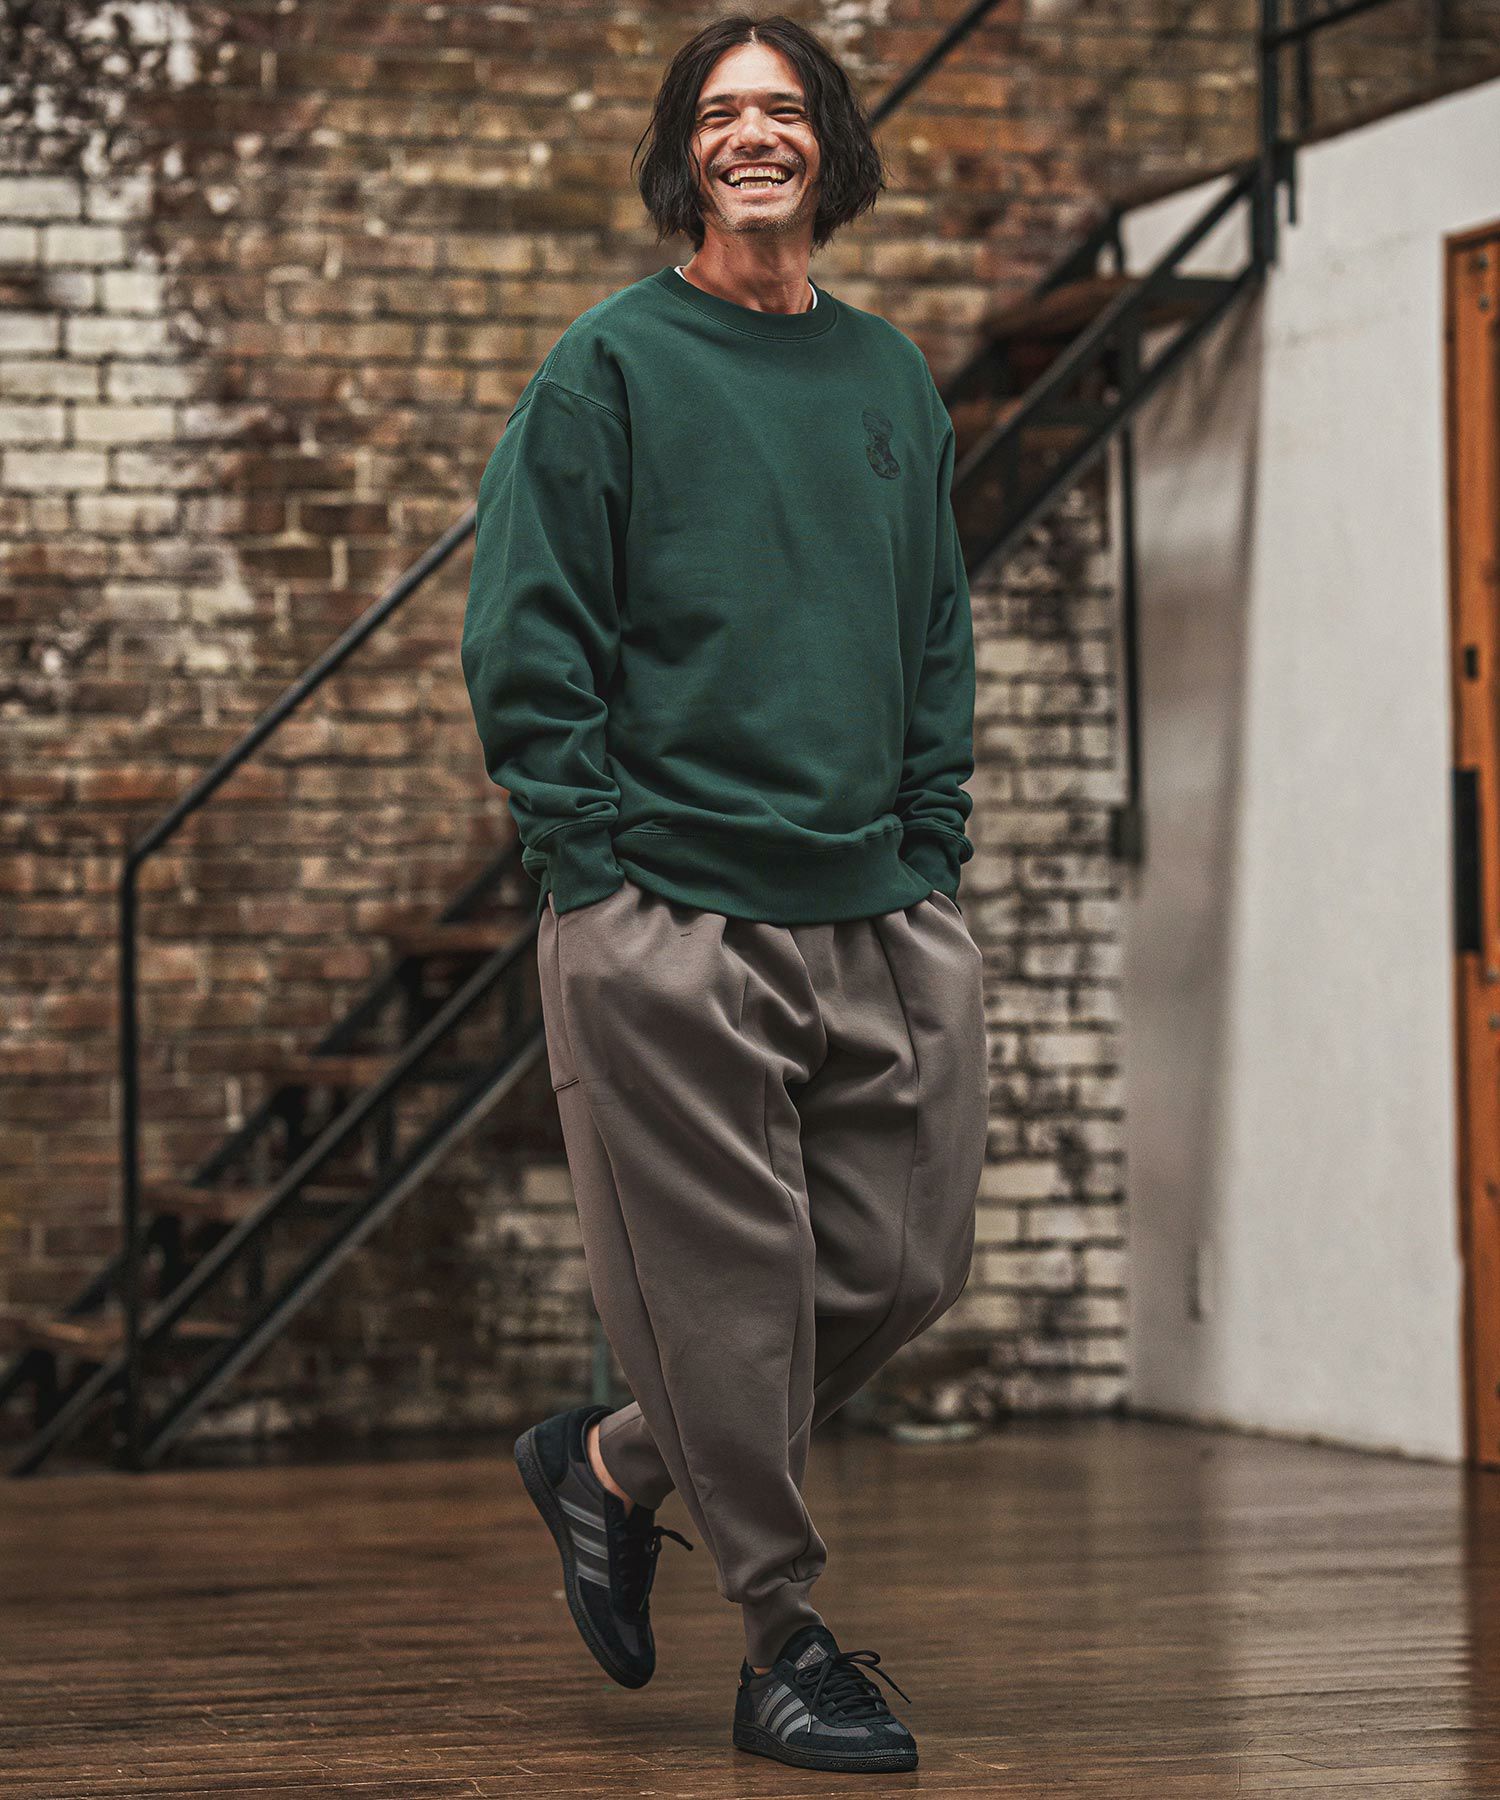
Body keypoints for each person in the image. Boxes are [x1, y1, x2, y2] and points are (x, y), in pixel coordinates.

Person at [460, 11, 989, 1775]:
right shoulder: (608, 368)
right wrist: (593, 874)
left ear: (831, 144)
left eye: (783, 107)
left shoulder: (890, 376)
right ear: (683, 156)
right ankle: (783, 1645)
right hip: (668, 909)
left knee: (903, 1264)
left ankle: (613, 1461)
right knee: (724, 1301)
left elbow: (935, 627)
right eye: (719, 111)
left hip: (873, 903)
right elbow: (528, 637)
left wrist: (932, 841)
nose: (752, 132)